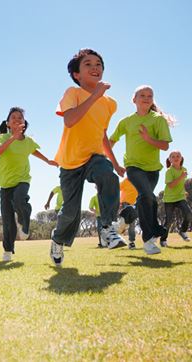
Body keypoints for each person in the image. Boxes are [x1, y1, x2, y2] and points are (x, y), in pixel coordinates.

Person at [50, 48, 126, 266]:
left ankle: (107, 228)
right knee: (70, 212)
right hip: (71, 161)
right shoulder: (72, 93)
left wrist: (115, 162)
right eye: (88, 64)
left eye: (98, 64)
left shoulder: (110, 104)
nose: (95, 67)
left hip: (94, 156)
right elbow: (70, 120)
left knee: (107, 175)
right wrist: (94, 96)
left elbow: (102, 134)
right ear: (77, 75)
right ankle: (57, 239)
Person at [110, 85, 173, 255]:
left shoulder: (158, 119)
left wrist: (148, 138)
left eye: (150, 95)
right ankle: (149, 239)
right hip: (133, 166)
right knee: (147, 196)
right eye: (142, 95)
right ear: (134, 100)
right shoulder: (126, 121)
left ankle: (125, 218)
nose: (146, 98)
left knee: (146, 200)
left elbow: (165, 146)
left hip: (152, 170)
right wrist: (114, 163)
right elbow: (111, 142)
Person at [0, 107, 58, 262]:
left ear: (24, 123)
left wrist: (48, 160)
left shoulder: (28, 141)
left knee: (20, 198)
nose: (16, 119)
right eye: (13, 117)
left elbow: (34, 151)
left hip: (22, 180)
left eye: (20, 117)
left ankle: (25, 221)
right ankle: (8, 250)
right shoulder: (3, 137)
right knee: (8, 222)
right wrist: (13, 138)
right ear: (8, 123)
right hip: (5, 185)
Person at [160, 151, 192, 246]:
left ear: (181, 158)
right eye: (173, 156)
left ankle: (182, 231)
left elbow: (180, 184)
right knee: (169, 221)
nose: (176, 158)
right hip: (169, 199)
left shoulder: (184, 169)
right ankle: (163, 240)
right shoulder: (169, 171)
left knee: (188, 215)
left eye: (178, 156)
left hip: (180, 197)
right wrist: (182, 176)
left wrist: (184, 190)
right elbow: (170, 185)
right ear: (169, 159)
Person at [119, 177, 138, 250]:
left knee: (132, 224)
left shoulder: (138, 181)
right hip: (125, 204)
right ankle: (117, 237)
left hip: (134, 205)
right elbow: (118, 188)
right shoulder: (126, 180)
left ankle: (131, 242)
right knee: (125, 223)